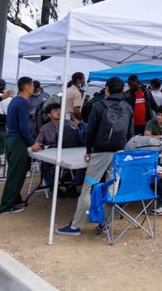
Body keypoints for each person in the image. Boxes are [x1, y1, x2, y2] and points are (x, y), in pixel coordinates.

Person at [57, 77, 134, 236]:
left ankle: (76, 225)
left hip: (100, 150)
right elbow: (130, 133)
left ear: (107, 89)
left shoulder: (99, 105)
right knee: (111, 187)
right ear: (122, 90)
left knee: (88, 187)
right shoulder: (127, 107)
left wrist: (89, 150)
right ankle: (105, 223)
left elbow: (91, 130)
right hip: (119, 151)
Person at [30, 101, 84, 195]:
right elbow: (38, 143)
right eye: (55, 111)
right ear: (49, 115)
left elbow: (78, 136)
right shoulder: (45, 128)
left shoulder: (70, 123)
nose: (58, 112)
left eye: (59, 110)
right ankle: (54, 188)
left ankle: (73, 185)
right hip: (53, 155)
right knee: (44, 165)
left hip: (71, 152)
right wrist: (39, 146)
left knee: (84, 164)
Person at [0, 77, 36, 214]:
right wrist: (32, 143)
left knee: (15, 172)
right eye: (32, 85)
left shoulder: (15, 101)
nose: (33, 88)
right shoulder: (23, 103)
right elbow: (24, 127)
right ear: (26, 86)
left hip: (11, 140)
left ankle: (14, 198)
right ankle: (6, 205)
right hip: (18, 141)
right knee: (16, 174)